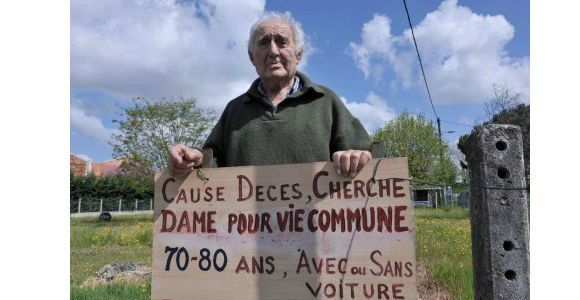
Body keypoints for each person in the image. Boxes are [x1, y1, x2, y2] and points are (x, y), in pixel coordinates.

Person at [168, 12, 372, 178]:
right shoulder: (235, 110)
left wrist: (357, 155)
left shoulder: (325, 101)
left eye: (282, 42)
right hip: (247, 227)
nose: (273, 51)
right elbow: (210, 165)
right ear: (251, 57)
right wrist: (191, 160)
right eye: (264, 43)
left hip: (317, 226)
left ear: (298, 55)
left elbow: (370, 158)